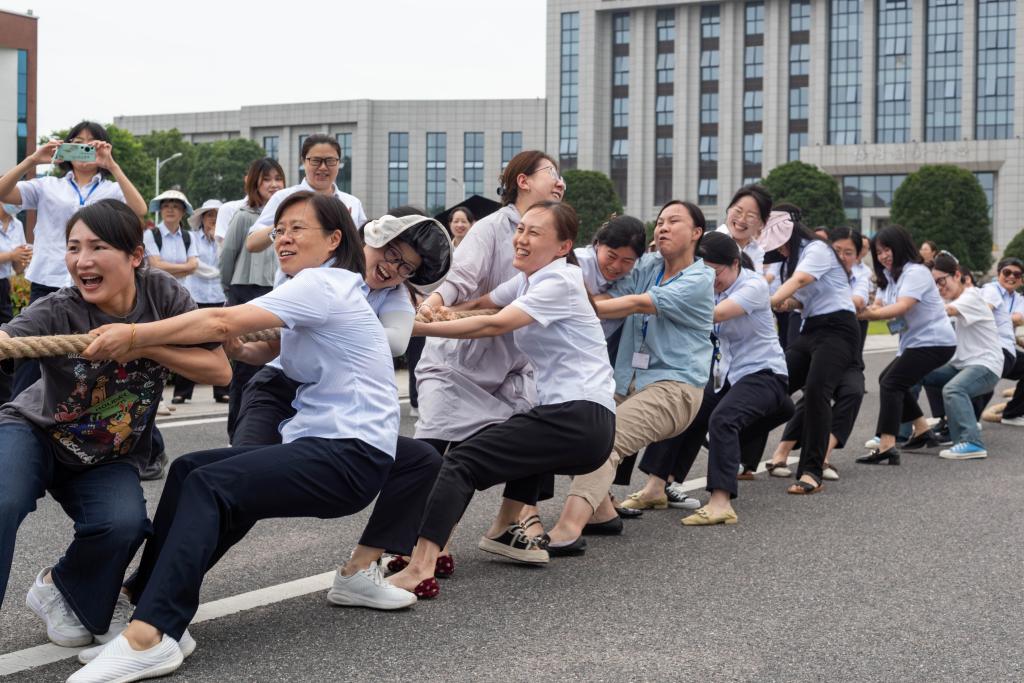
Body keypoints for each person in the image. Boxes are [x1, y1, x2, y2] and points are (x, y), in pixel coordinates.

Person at [72, 192, 400, 682]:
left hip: (348, 455)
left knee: (213, 486)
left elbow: (223, 318)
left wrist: (136, 335)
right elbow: (260, 353)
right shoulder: (318, 290)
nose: (283, 238)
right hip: (326, 447)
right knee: (191, 470)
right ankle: (147, 601)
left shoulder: (322, 284)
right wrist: (236, 347)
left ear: (335, 240)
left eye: (297, 229)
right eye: (280, 229)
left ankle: (152, 635)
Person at [0, 199, 229, 650]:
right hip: (36, 431)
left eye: (97, 246)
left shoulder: (164, 297)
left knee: (124, 525)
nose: (81, 260)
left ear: (135, 256)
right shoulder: (60, 308)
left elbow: (219, 371)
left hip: (109, 452)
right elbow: (12, 337)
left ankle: (60, 585)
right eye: (72, 247)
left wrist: (143, 345)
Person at [387, 200, 615, 593]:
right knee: (515, 419)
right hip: (571, 417)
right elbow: (481, 304)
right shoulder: (528, 280)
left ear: (563, 247)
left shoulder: (559, 281)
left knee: (460, 462)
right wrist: (435, 308)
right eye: (520, 229)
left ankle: (421, 566)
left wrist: (410, 329)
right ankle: (504, 529)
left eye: (534, 233)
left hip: (579, 416)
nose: (521, 239)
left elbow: (493, 325)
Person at [542, 200, 712, 550]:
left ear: (696, 233)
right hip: (625, 381)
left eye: (673, 221)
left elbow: (634, 303)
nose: (663, 226)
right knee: (578, 427)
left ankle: (567, 529)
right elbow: (609, 288)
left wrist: (567, 303)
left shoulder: (699, 278)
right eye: (661, 221)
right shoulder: (647, 264)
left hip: (674, 387)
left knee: (605, 441)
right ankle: (602, 513)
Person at [629, 231, 793, 525]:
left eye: (715, 273)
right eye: (702, 274)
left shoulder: (753, 285)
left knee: (723, 419)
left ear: (734, 264)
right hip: (725, 374)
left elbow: (713, 315)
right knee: (684, 408)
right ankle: (656, 487)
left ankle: (721, 502)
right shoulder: (708, 287)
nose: (709, 281)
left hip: (764, 373)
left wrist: (669, 304)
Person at [413, 150, 564, 455]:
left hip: (513, 366)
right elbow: (459, 280)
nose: (560, 182)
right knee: (432, 458)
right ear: (523, 181)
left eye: (561, 177)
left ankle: (528, 507)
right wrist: (431, 307)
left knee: (530, 453)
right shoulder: (491, 227)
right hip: (459, 365)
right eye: (551, 172)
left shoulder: (555, 238)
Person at [518, 213, 647, 536]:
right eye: (612, 255)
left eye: (627, 261)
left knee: (586, 434)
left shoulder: (628, 279)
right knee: (538, 434)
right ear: (597, 245)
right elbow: (590, 306)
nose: (617, 265)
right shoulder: (577, 265)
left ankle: (601, 507)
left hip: (580, 367)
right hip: (546, 358)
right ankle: (526, 512)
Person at [0, 121, 148, 398]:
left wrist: (112, 165)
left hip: (94, 285)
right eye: (77, 142)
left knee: (96, 356)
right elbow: (2, 192)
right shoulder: (47, 185)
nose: (83, 149)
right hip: (48, 280)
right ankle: (16, 415)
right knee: (31, 355)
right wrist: (33, 159)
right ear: (66, 149)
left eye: (91, 145)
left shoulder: (111, 189)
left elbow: (139, 210)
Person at [759, 208, 859, 494]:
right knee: (776, 381)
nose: (776, 246)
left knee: (817, 391)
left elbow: (800, 282)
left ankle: (812, 472)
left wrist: (769, 301)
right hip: (811, 328)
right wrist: (786, 303)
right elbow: (801, 300)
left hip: (839, 327)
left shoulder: (816, 248)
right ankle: (741, 452)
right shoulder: (790, 260)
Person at [856, 225, 957, 465]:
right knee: (887, 379)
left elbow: (901, 308)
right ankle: (922, 430)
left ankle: (887, 445)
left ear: (901, 246)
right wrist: (871, 310)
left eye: (887, 249)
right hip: (916, 342)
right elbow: (890, 313)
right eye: (879, 252)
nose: (883, 256)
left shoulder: (916, 273)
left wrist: (869, 315)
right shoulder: (892, 277)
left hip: (935, 341)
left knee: (892, 383)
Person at [218, 158, 286, 437]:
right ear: (254, 184)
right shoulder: (243, 215)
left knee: (271, 367)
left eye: (277, 178)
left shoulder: (288, 218)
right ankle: (237, 433)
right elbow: (227, 258)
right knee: (245, 370)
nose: (273, 184)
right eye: (266, 179)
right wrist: (228, 294)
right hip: (245, 292)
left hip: (277, 294)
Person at [915, 253, 1002, 460]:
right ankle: (901, 434)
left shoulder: (970, 296)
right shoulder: (951, 298)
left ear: (956, 275)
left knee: (954, 389)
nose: (938, 287)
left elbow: (946, 311)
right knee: (912, 374)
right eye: (934, 283)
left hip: (985, 365)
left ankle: (972, 442)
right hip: (961, 365)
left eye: (941, 281)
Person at [245, 134, 368, 256]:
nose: (323, 167)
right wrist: (282, 226)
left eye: (330, 161)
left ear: (338, 163)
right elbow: (252, 243)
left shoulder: (352, 203)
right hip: (295, 275)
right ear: (303, 162)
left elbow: (364, 247)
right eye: (315, 161)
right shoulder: (283, 198)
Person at [174, 200, 228, 404]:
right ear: (202, 218)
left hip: (219, 296)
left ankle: (222, 391)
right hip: (195, 295)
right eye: (209, 215)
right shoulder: (192, 238)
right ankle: (182, 392)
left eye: (216, 214)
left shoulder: (225, 239)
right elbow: (194, 266)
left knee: (220, 344)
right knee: (189, 343)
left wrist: (218, 240)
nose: (213, 219)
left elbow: (228, 261)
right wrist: (218, 272)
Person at [980, 257, 1024, 427]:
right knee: (981, 385)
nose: (1011, 276)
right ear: (998, 274)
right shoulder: (990, 290)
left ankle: (1013, 414)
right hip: (984, 349)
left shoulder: (1019, 299)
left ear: (1021, 279)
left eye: (1017, 274)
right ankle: (954, 423)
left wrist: (999, 315)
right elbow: (985, 313)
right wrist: (1006, 317)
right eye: (1007, 272)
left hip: (1006, 351)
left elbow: (1019, 319)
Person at [0, 202, 30, 403]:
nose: (15, 204)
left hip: (2, 285)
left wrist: (23, 258)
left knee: (6, 340)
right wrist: (11, 254)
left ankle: (5, 400)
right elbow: (11, 256)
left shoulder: (17, 225)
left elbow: (18, 268)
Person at [142, 190, 198, 285]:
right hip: (157, 293)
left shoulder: (189, 236)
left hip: (183, 294)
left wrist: (165, 269)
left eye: (175, 207)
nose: (170, 210)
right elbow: (156, 266)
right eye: (165, 206)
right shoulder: (150, 235)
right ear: (160, 210)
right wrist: (186, 268)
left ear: (183, 212)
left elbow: (193, 266)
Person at [716, 184, 770, 272]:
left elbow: (757, 282)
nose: (742, 220)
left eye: (750, 216)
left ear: (762, 223)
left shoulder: (757, 251)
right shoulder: (707, 241)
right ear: (729, 209)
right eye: (738, 211)